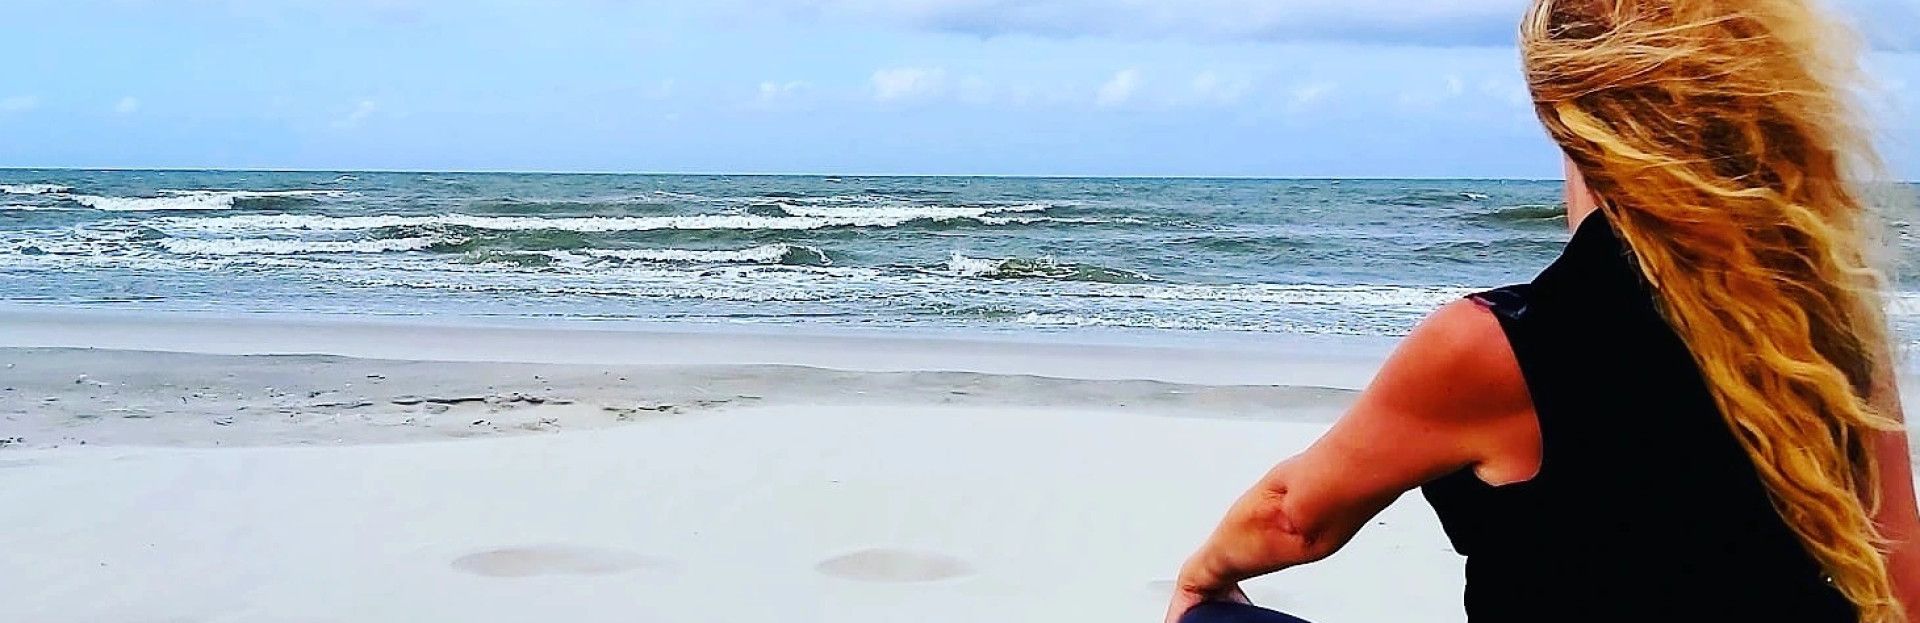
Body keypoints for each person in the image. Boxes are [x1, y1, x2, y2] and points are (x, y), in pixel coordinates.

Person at [1164, 1, 1920, 622]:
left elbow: (1294, 516)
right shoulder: (1826, 323)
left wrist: (1198, 581)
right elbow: (1901, 579)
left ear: (1567, 117)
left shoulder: (1501, 345)